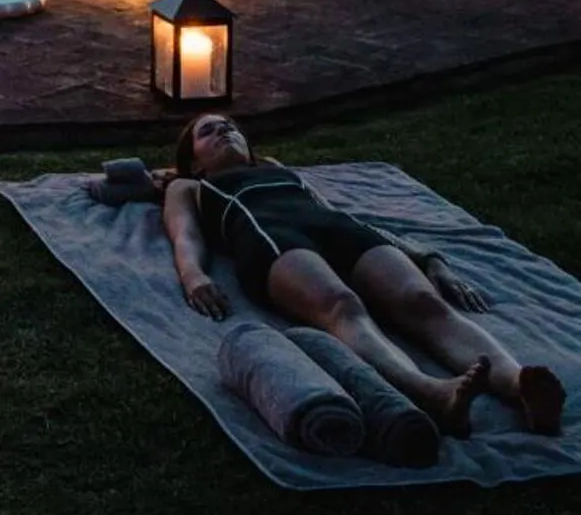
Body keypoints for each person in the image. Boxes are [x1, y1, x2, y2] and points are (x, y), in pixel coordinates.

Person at [163, 110, 565, 436]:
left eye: (230, 127)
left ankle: (519, 383)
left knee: (423, 301)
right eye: (209, 132)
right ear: (194, 160)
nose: (224, 132)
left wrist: (426, 258)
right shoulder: (189, 187)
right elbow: (185, 234)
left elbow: (338, 214)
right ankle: (430, 393)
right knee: (342, 305)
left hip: (333, 229)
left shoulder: (279, 169)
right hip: (270, 238)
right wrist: (193, 275)